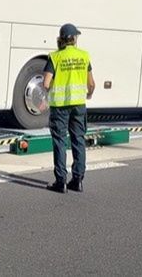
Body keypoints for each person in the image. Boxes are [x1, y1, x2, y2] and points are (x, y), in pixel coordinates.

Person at [42, 23, 95, 193]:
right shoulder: (84, 56)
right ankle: (77, 180)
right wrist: (89, 94)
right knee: (78, 139)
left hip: (60, 108)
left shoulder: (55, 57)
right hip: (79, 106)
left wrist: (47, 94)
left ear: (61, 39)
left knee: (59, 142)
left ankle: (61, 182)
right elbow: (92, 84)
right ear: (75, 39)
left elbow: (46, 83)